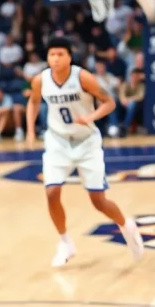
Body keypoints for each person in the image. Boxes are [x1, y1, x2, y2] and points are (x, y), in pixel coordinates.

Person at [26, 36, 144, 267]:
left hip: (86, 141)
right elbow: (33, 102)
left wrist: (90, 117)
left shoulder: (82, 77)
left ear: (69, 56)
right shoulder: (40, 80)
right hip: (57, 141)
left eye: (60, 54)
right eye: (52, 54)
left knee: (98, 201)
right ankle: (65, 242)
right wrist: (30, 130)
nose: (56, 59)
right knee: (51, 193)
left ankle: (126, 226)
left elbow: (109, 102)